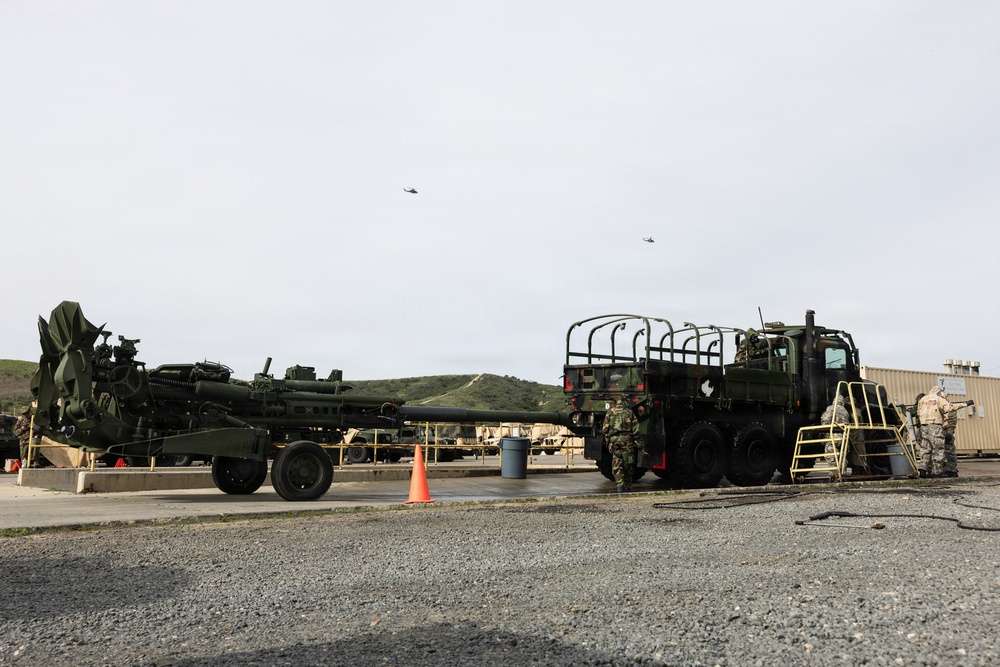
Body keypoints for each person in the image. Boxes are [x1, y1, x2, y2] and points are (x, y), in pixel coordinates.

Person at [917, 387, 974, 478]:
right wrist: (965, 404)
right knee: (938, 450)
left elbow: (918, 412)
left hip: (924, 427)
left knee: (925, 449)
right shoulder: (939, 400)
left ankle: (923, 469)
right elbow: (950, 408)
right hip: (936, 427)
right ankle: (938, 472)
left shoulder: (923, 400)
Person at [819, 394, 869, 476]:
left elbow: (825, 420)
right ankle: (842, 472)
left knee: (831, 454)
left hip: (834, 437)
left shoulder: (831, 408)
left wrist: (824, 429)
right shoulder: (846, 411)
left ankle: (834, 474)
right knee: (842, 456)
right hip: (845, 437)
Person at [601, 396, 640, 493]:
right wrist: (638, 441)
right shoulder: (629, 412)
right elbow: (636, 429)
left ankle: (619, 485)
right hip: (627, 441)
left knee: (617, 463)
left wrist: (608, 442)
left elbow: (605, 429)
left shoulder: (610, 412)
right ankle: (627, 484)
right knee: (628, 463)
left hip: (614, 442)